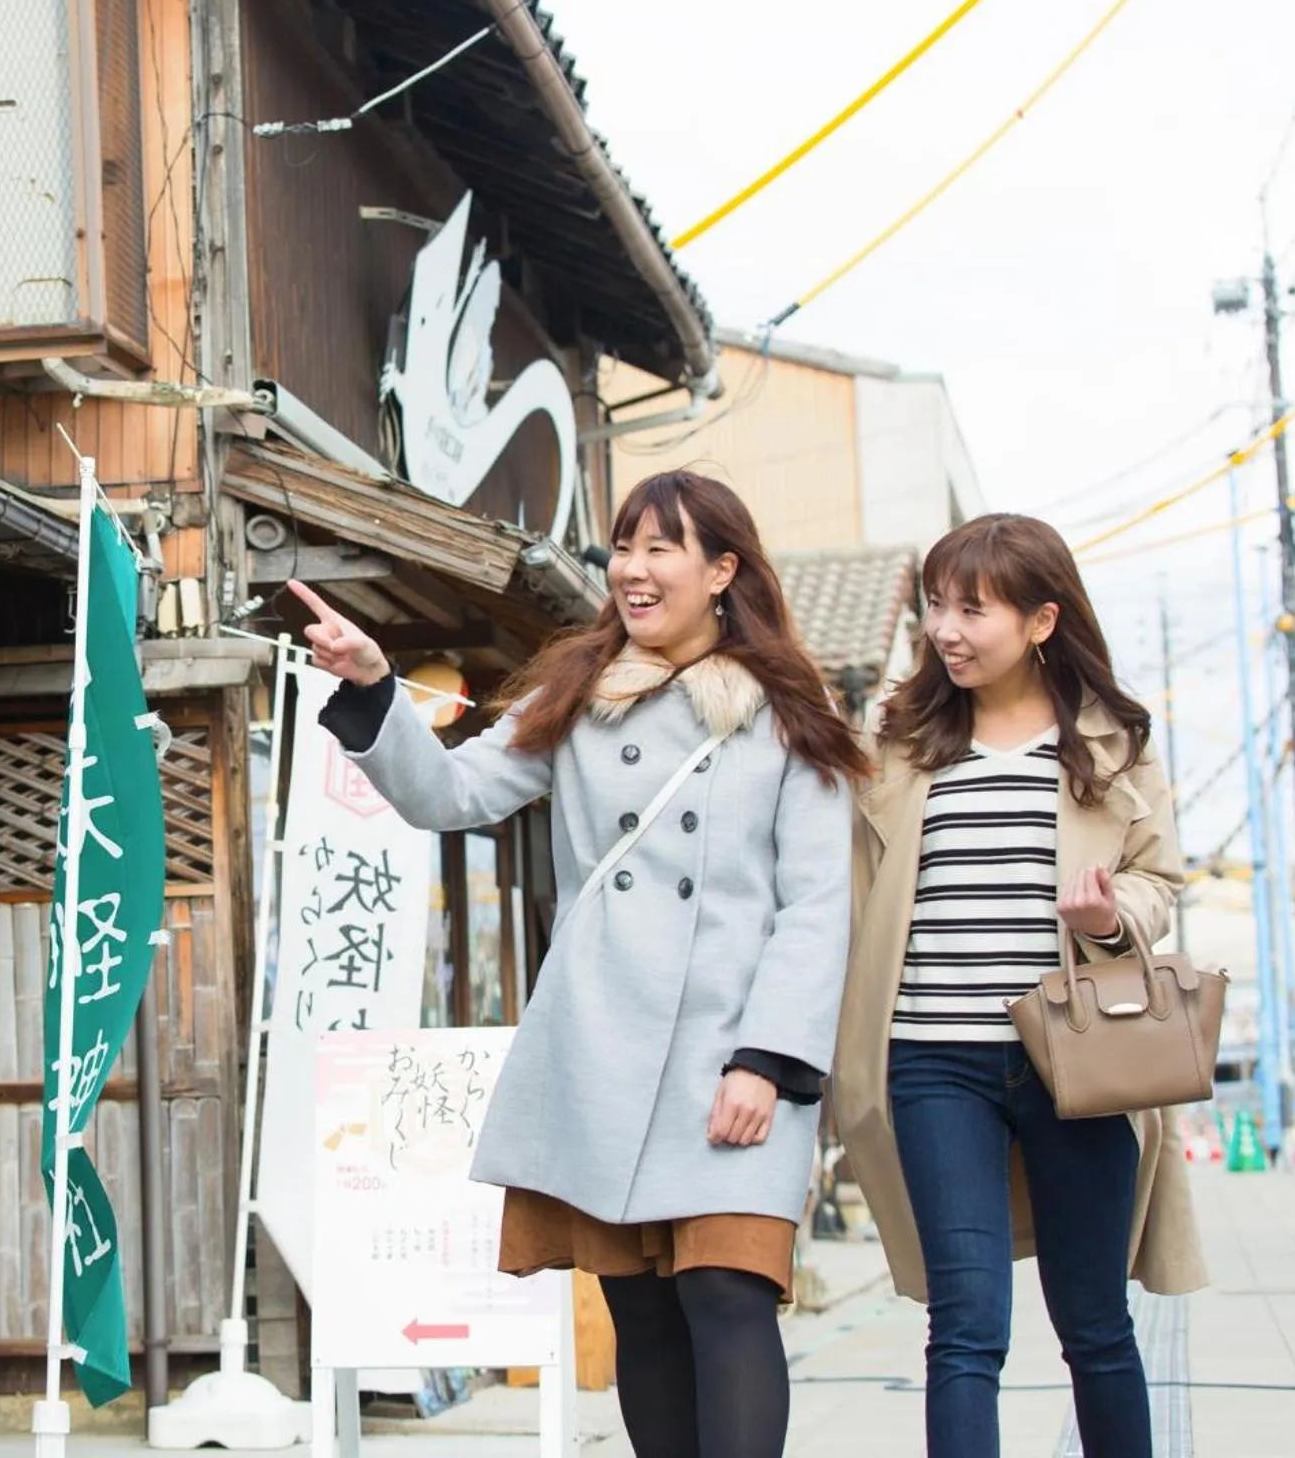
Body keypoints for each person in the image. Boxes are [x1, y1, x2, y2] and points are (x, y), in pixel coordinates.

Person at [291, 471, 865, 1458]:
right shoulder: (576, 697)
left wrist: (764, 1061)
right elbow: (450, 794)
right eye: (622, 549)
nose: (632, 572)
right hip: (604, 1051)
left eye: (658, 549)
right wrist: (374, 687)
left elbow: (814, 904)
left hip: (735, 1059)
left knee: (727, 1293)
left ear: (720, 569)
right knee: (640, 1313)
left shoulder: (782, 713)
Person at [832, 514, 1206, 1458]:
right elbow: (851, 895)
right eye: (935, 607)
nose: (945, 630)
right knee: (965, 1327)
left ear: (1041, 621)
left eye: (972, 609)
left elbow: (1162, 882)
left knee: (1095, 1324)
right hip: (931, 1061)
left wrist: (1110, 917)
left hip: (1077, 1058)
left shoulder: (1112, 741)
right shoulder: (900, 740)